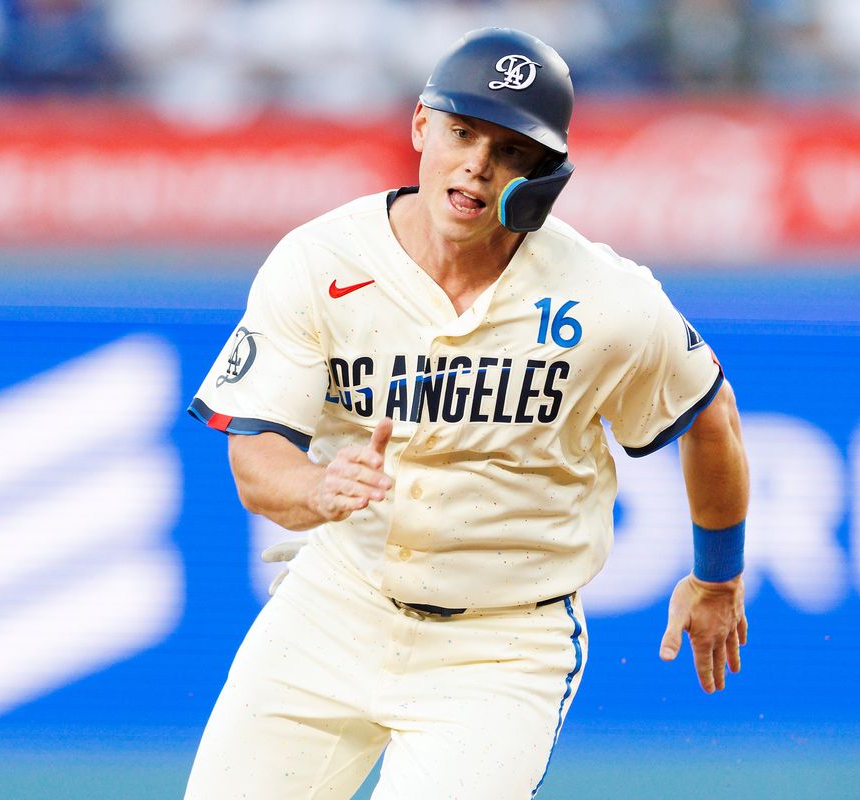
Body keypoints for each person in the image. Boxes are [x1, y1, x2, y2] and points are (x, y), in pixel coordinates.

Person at [184, 27, 750, 800]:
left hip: (503, 646)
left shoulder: (606, 298)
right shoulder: (321, 261)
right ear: (421, 124)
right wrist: (317, 488)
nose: (478, 164)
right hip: (334, 606)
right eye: (462, 132)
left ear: (546, 174)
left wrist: (718, 578)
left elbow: (712, 416)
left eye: (511, 149)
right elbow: (256, 461)